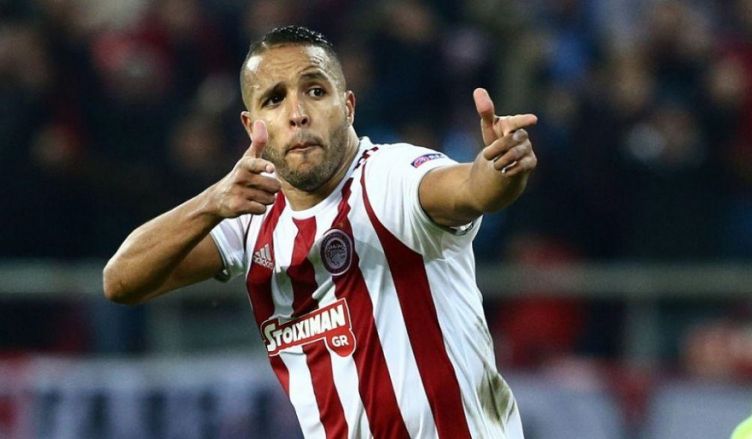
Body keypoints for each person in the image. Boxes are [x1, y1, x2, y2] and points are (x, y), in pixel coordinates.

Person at [103, 25, 538, 439]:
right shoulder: (251, 215)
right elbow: (120, 281)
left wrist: (500, 167)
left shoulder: (390, 177)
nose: (297, 114)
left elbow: (471, 188)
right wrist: (211, 202)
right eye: (274, 99)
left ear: (348, 106)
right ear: (250, 125)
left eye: (315, 91)